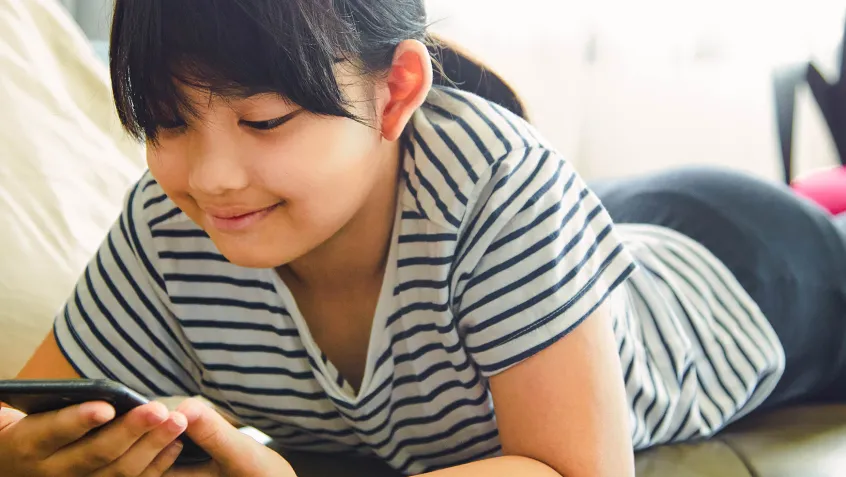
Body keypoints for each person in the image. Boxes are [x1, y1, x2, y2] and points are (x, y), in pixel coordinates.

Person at [2, 1, 845, 476]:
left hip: (742, 268)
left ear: (397, 89)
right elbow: (26, 405)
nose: (210, 176)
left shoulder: (497, 180)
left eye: (264, 121)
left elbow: (573, 470)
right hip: (599, 226)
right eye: (165, 123)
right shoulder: (169, 223)